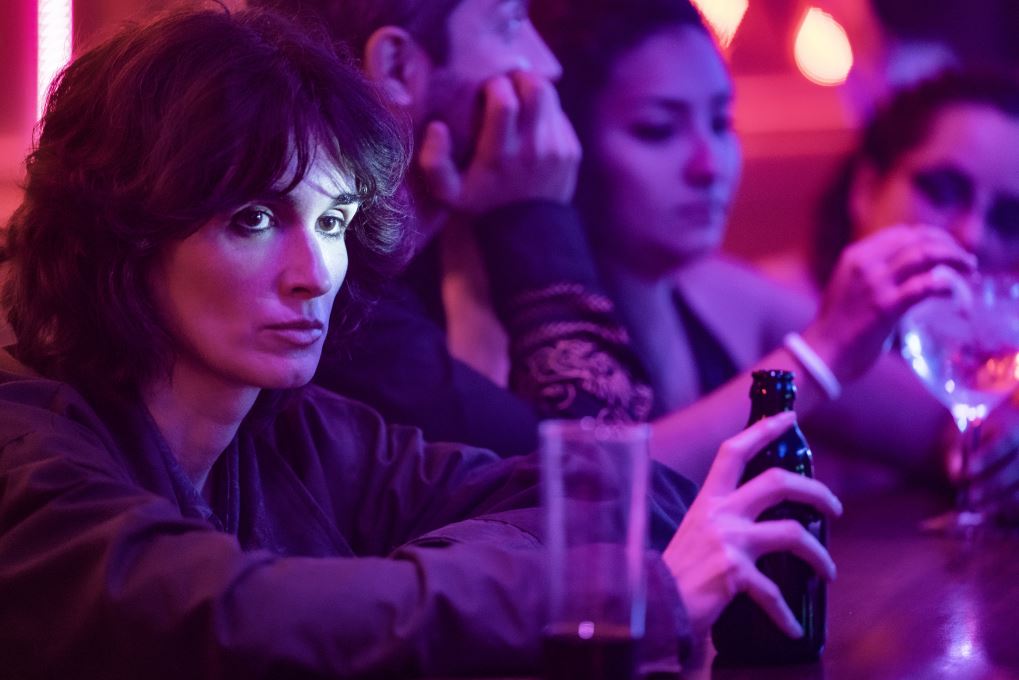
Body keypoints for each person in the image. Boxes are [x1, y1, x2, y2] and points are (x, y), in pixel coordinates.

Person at [0, 6, 843, 677]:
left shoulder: (296, 430)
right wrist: (608, 591)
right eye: (252, 218)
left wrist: (411, 587)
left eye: (332, 220)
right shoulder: (24, 450)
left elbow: (628, 498)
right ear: (123, 234)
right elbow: (232, 617)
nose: (314, 274)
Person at [523, 0, 978, 484]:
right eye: (658, 130)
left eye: (721, 123)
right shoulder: (512, 319)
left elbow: (947, 429)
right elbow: (591, 493)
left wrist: (990, 446)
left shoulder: (724, 293)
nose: (709, 165)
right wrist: (821, 354)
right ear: (566, 140)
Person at [251, 0, 655, 456]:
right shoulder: (339, 312)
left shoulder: (405, 264)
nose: (548, 65)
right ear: (398, 67)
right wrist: (532, 215)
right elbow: (599, 467)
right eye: (509, 25)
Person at [811, 69, 1019, 518]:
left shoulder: (1001, 360)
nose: (972, 235)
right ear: (867, 189)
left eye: (1009, 218)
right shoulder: (767, 309)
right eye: (943, 191)